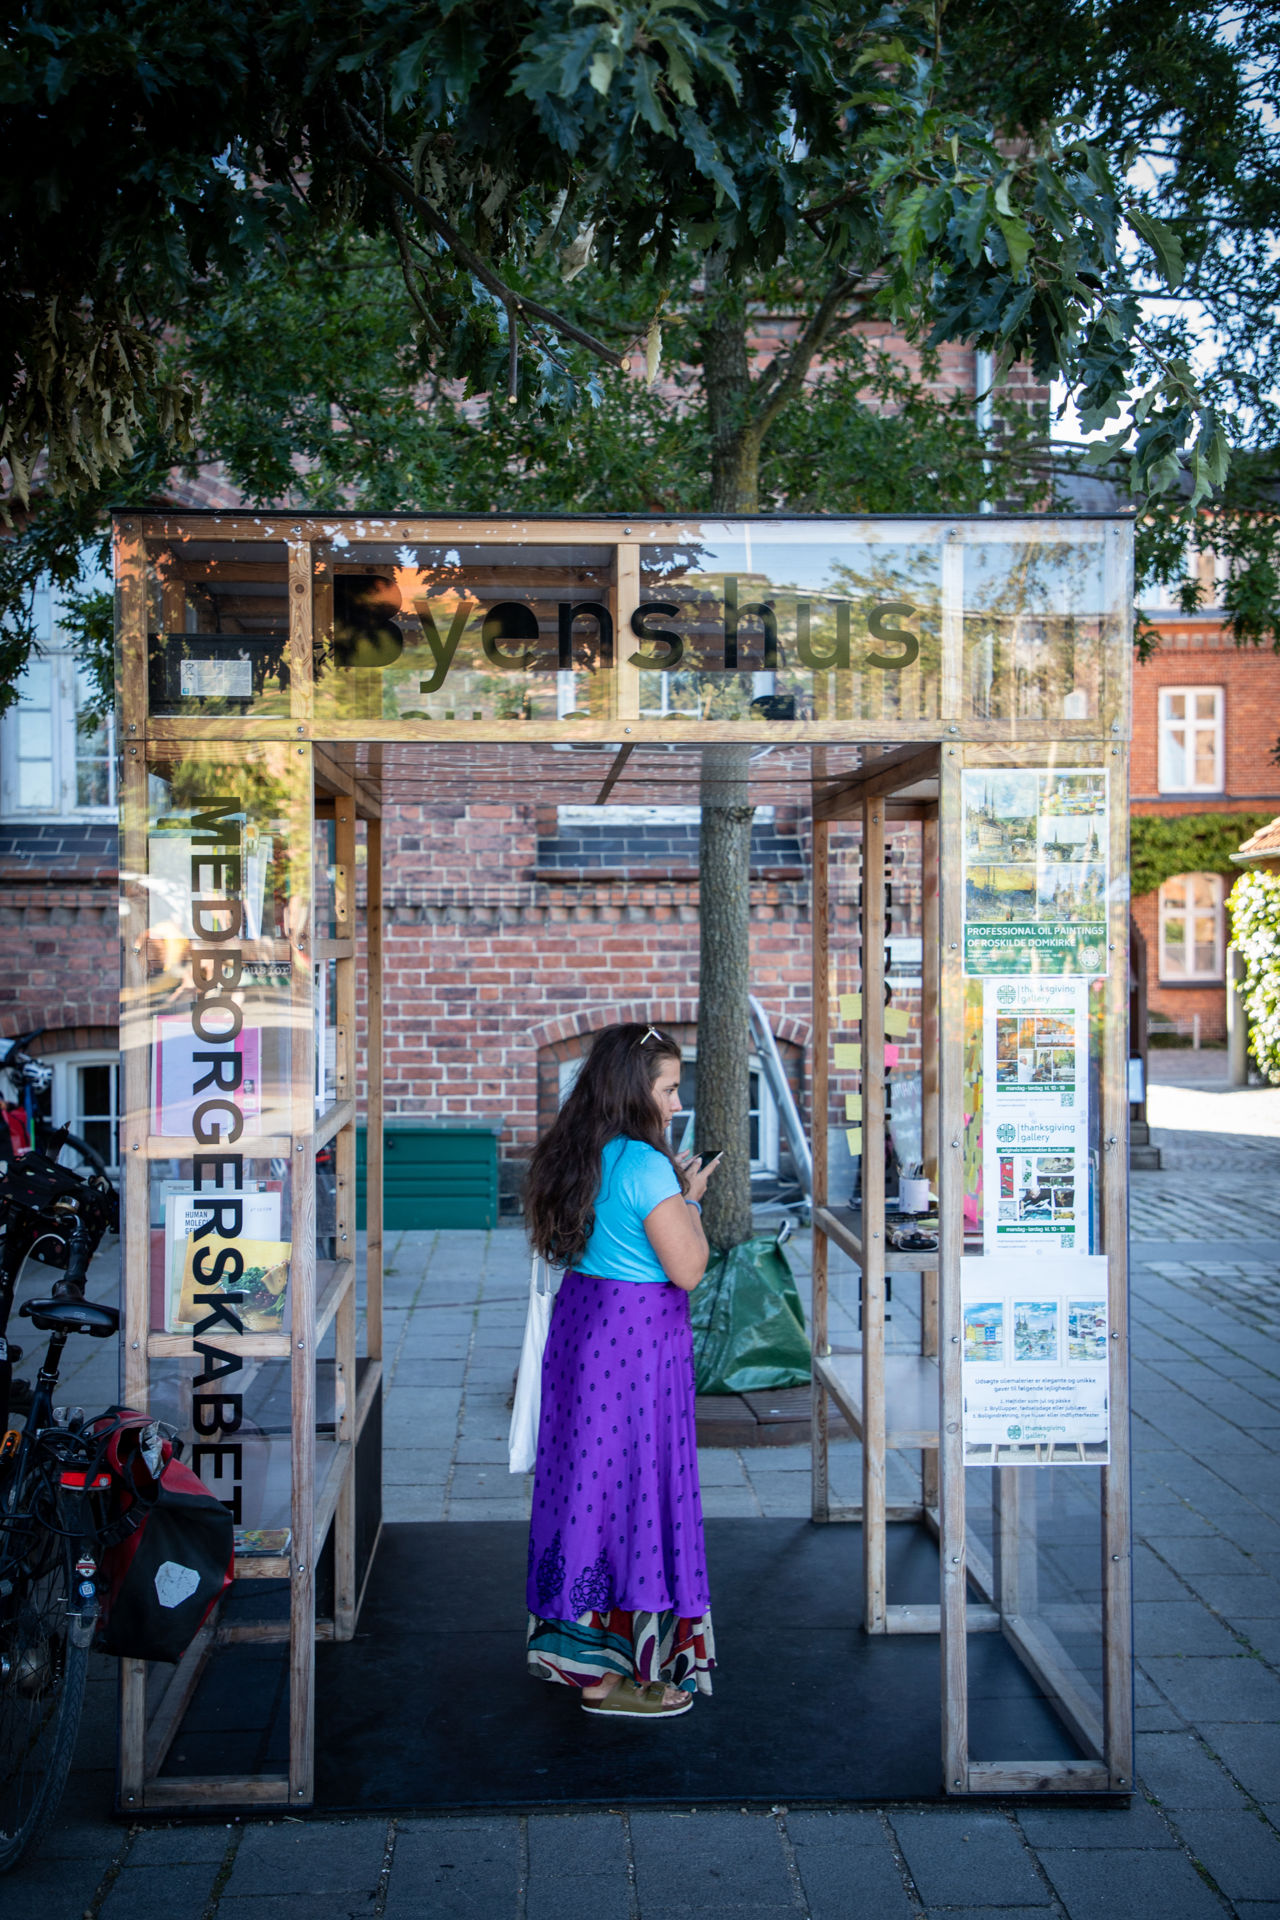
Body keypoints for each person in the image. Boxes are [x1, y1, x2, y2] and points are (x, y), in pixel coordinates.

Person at [522, 1022, 722, 1720]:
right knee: (639, 1491)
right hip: (636, 1342)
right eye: (668, 1089)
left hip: (584, 1325)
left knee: (583, 1488)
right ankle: (630, 1672)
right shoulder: (644, 1164)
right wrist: (690, 1200)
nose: (676, 1104)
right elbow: (688, 1269)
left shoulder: (577, 1149)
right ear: (635, 1089)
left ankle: (583, 1663)